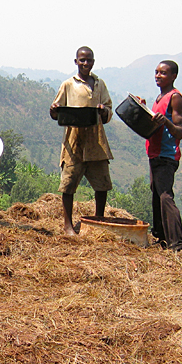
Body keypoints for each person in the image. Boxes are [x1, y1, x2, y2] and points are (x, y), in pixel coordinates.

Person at [49, 46, 113, 235]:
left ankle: (99, 220)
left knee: (102, 184)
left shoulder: (100, 84)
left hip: (96, 140)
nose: (86, 63)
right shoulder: (68, 85)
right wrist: (54, 110)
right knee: (68, 184)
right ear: (76, 61)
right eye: (82, 60)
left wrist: (103, 110)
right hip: (74, 140)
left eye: (89, 60)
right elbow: (56, 110)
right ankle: (68, 226)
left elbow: (108, 110)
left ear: (94, 61)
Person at [146, 60, 182, 250]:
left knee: (165, 196)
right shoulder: (159, 97)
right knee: (156, 194)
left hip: (166, 155)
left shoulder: (175, 98)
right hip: (155, 154)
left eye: (163, 73)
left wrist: (167, 123)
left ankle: (178, 243)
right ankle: (161, 237)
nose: (158, 75)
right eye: (156, 72)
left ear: (173, 76)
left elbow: (179, 131)